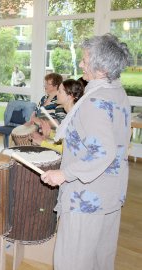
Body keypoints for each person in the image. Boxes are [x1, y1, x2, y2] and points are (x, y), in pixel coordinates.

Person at [40, 34, 131, 270]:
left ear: (100, 68)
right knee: (100, 260)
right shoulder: (117, 92)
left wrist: (64, 174)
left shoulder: (95, 101)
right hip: (110, 192)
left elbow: (103, 151)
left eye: (85, 60)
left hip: (87, 198)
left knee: (73, 262)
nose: (81, 64)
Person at [31, 79, 84, 153]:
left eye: (59, 91)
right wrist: (50, 134)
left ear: (70, 96)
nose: (56, 94)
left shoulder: (74, 118)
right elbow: (64, 138)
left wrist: (42, 143)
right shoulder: (70, 115)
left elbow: (66, 149)